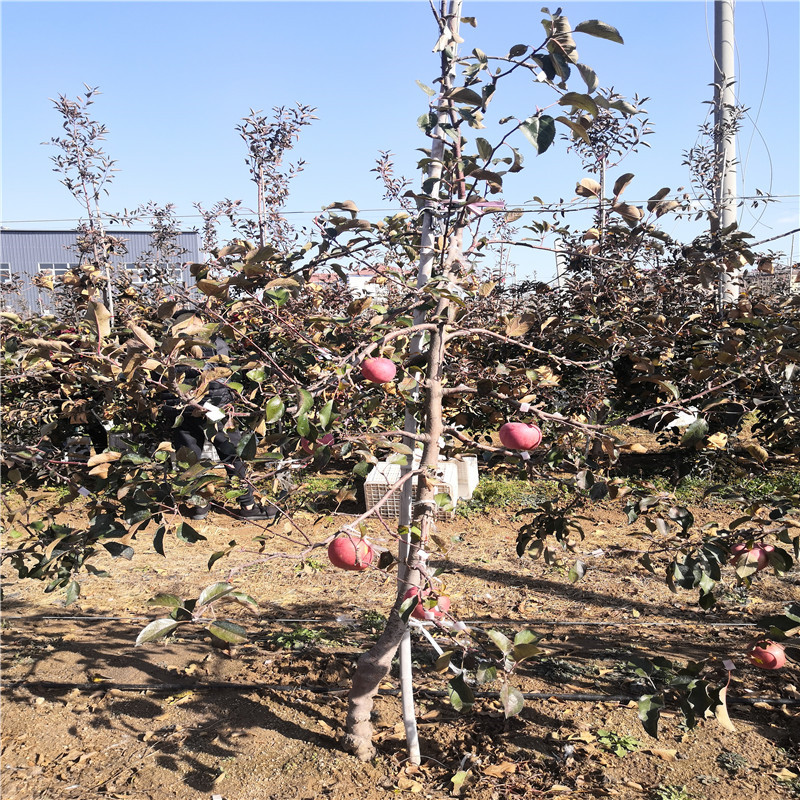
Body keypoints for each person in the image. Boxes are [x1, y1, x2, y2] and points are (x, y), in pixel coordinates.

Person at [161, 308, 276, 521]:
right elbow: (223, 371)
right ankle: (248, 506)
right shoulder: (214, 342)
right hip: (213, 408)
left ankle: (199, 505)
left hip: (182, 409)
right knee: (230, 451)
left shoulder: (168, 347)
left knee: (191, 456)